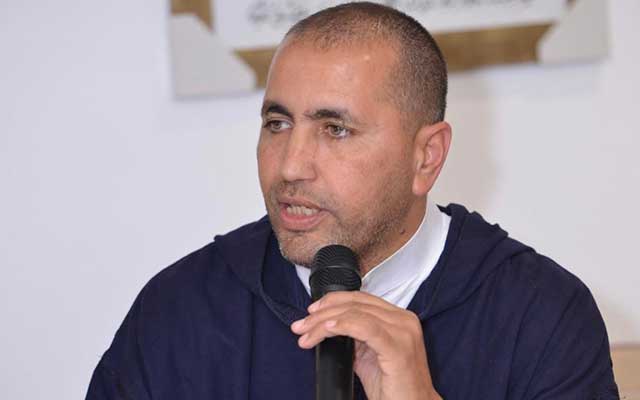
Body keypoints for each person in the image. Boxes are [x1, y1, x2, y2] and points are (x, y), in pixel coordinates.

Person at [86, 2, 619, 399]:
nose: (290, 166)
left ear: (426, 157)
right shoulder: (181, 310)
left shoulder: (541, 316)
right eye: (277, 123)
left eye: (335, 129)